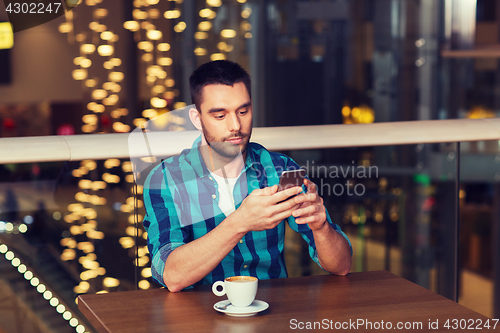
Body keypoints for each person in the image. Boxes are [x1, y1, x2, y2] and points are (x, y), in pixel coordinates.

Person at [142, 60, 352, 292]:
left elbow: (341, 267)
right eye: (220, 116)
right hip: (197, 318)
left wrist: (321, 227)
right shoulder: (166, 178)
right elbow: (172, 275)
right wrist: (240, 222)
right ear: (196, 118)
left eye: (243, 111)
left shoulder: (279, 169)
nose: (236, 125)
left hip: (272, 313)